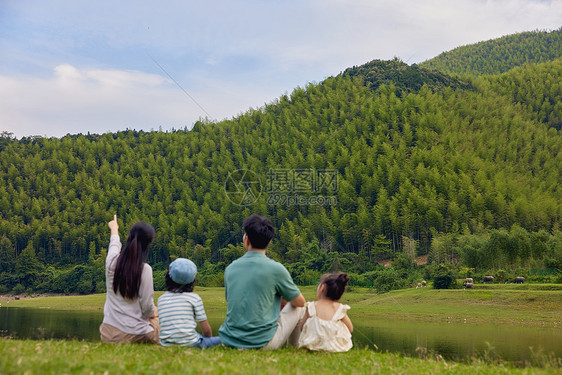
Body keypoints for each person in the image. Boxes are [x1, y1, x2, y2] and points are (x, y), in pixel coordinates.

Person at [219, 214, 306, 349]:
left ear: (246, 240)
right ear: (269, 241)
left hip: (229, 342)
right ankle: (294, 350)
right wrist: (282, 299)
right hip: (263, 343)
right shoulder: (276, 269)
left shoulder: (230, 268)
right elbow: (300, 302)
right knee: (300, 308)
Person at [99, 215, 160, 343]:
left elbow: (114, 244)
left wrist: (114, 228)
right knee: (159, 315)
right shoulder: (145, 270)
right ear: (148, 244)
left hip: (108, 334)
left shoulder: (111, 261)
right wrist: (153, 313)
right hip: (134, 335)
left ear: (128, 237)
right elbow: (147, 308)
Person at [157, 258, 221, 348]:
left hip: (165, 344)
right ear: (192, 280)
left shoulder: (161, 299)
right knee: (222, 339)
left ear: (168, 277)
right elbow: (206, 330)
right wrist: (208, 341)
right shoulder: (194, 298)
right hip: (192, 343)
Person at [298, 273, 353, 352]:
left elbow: (302, 327)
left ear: (322, 288)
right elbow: (350, 329)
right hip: (335, 347)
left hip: (311, 345)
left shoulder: (312, 306)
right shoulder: (339, 308)